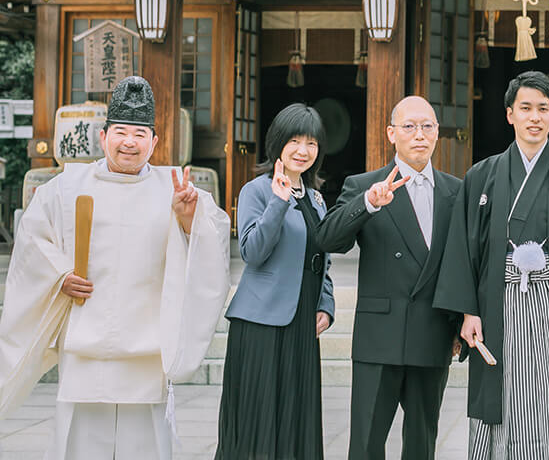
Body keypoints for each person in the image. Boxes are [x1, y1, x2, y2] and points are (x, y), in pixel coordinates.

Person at [0, 75, 230, 459]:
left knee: (145, 445)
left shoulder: (174, 188)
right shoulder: (67, 186)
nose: (129, 142)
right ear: (103, 136)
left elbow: (212, 241)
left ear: (154, 142)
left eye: (140, 134)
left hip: (146, 349)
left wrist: (189, 219)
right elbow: (32, 240)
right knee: (81, 443)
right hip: (84, 348)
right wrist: (59, 275)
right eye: (121, 132)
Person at [434, 70, 549, 460]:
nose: (534, 117)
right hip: (498, 303)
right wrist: (468, 311)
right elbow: (463, 250)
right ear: (509, 114)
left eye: (543, 109)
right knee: (502, 392)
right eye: (525, 108)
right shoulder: (482, 175)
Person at [315, 96, 463, 460]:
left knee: (421, 442)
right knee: (366, 442)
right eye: (409, 126)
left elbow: (463, 265)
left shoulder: (455, 191)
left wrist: (459, 322)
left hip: (433, 331)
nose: (419, 135)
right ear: (391, 133)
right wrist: (367, 204)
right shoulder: (364, 184)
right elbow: (328, 239)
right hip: (379, 336)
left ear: (437, 134)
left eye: (427, 126)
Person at [216, 103, 336, 460]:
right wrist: (279, 202)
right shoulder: (256, 190)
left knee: (296, 413)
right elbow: (252, 252)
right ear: (278, 144)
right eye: (295, 141)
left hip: (302, 320)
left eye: (311, 143)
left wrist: (326, 305)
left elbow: (321, 260)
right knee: (259, 413)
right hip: (261, 321)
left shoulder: (316, 198)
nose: (303, 150)